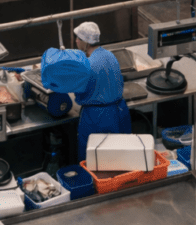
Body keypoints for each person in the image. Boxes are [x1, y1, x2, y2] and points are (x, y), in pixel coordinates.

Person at [40, 21, 131, 162]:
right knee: (118, 159)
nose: (76, 41)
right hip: (119, 111)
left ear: (86, 43)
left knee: (93, 161)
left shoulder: (87, 65)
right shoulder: (110, 56)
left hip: (97, 117)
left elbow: (71, 86)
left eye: (78, 38)